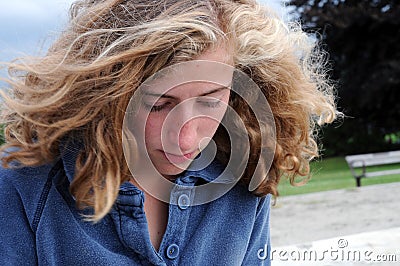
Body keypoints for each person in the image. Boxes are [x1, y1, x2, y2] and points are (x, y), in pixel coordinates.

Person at [0, 0, 337, 265]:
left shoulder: (244, 178)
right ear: (105, 94)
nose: (186, 140)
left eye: (209, 101)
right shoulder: (23, 186)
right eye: (159, 104)